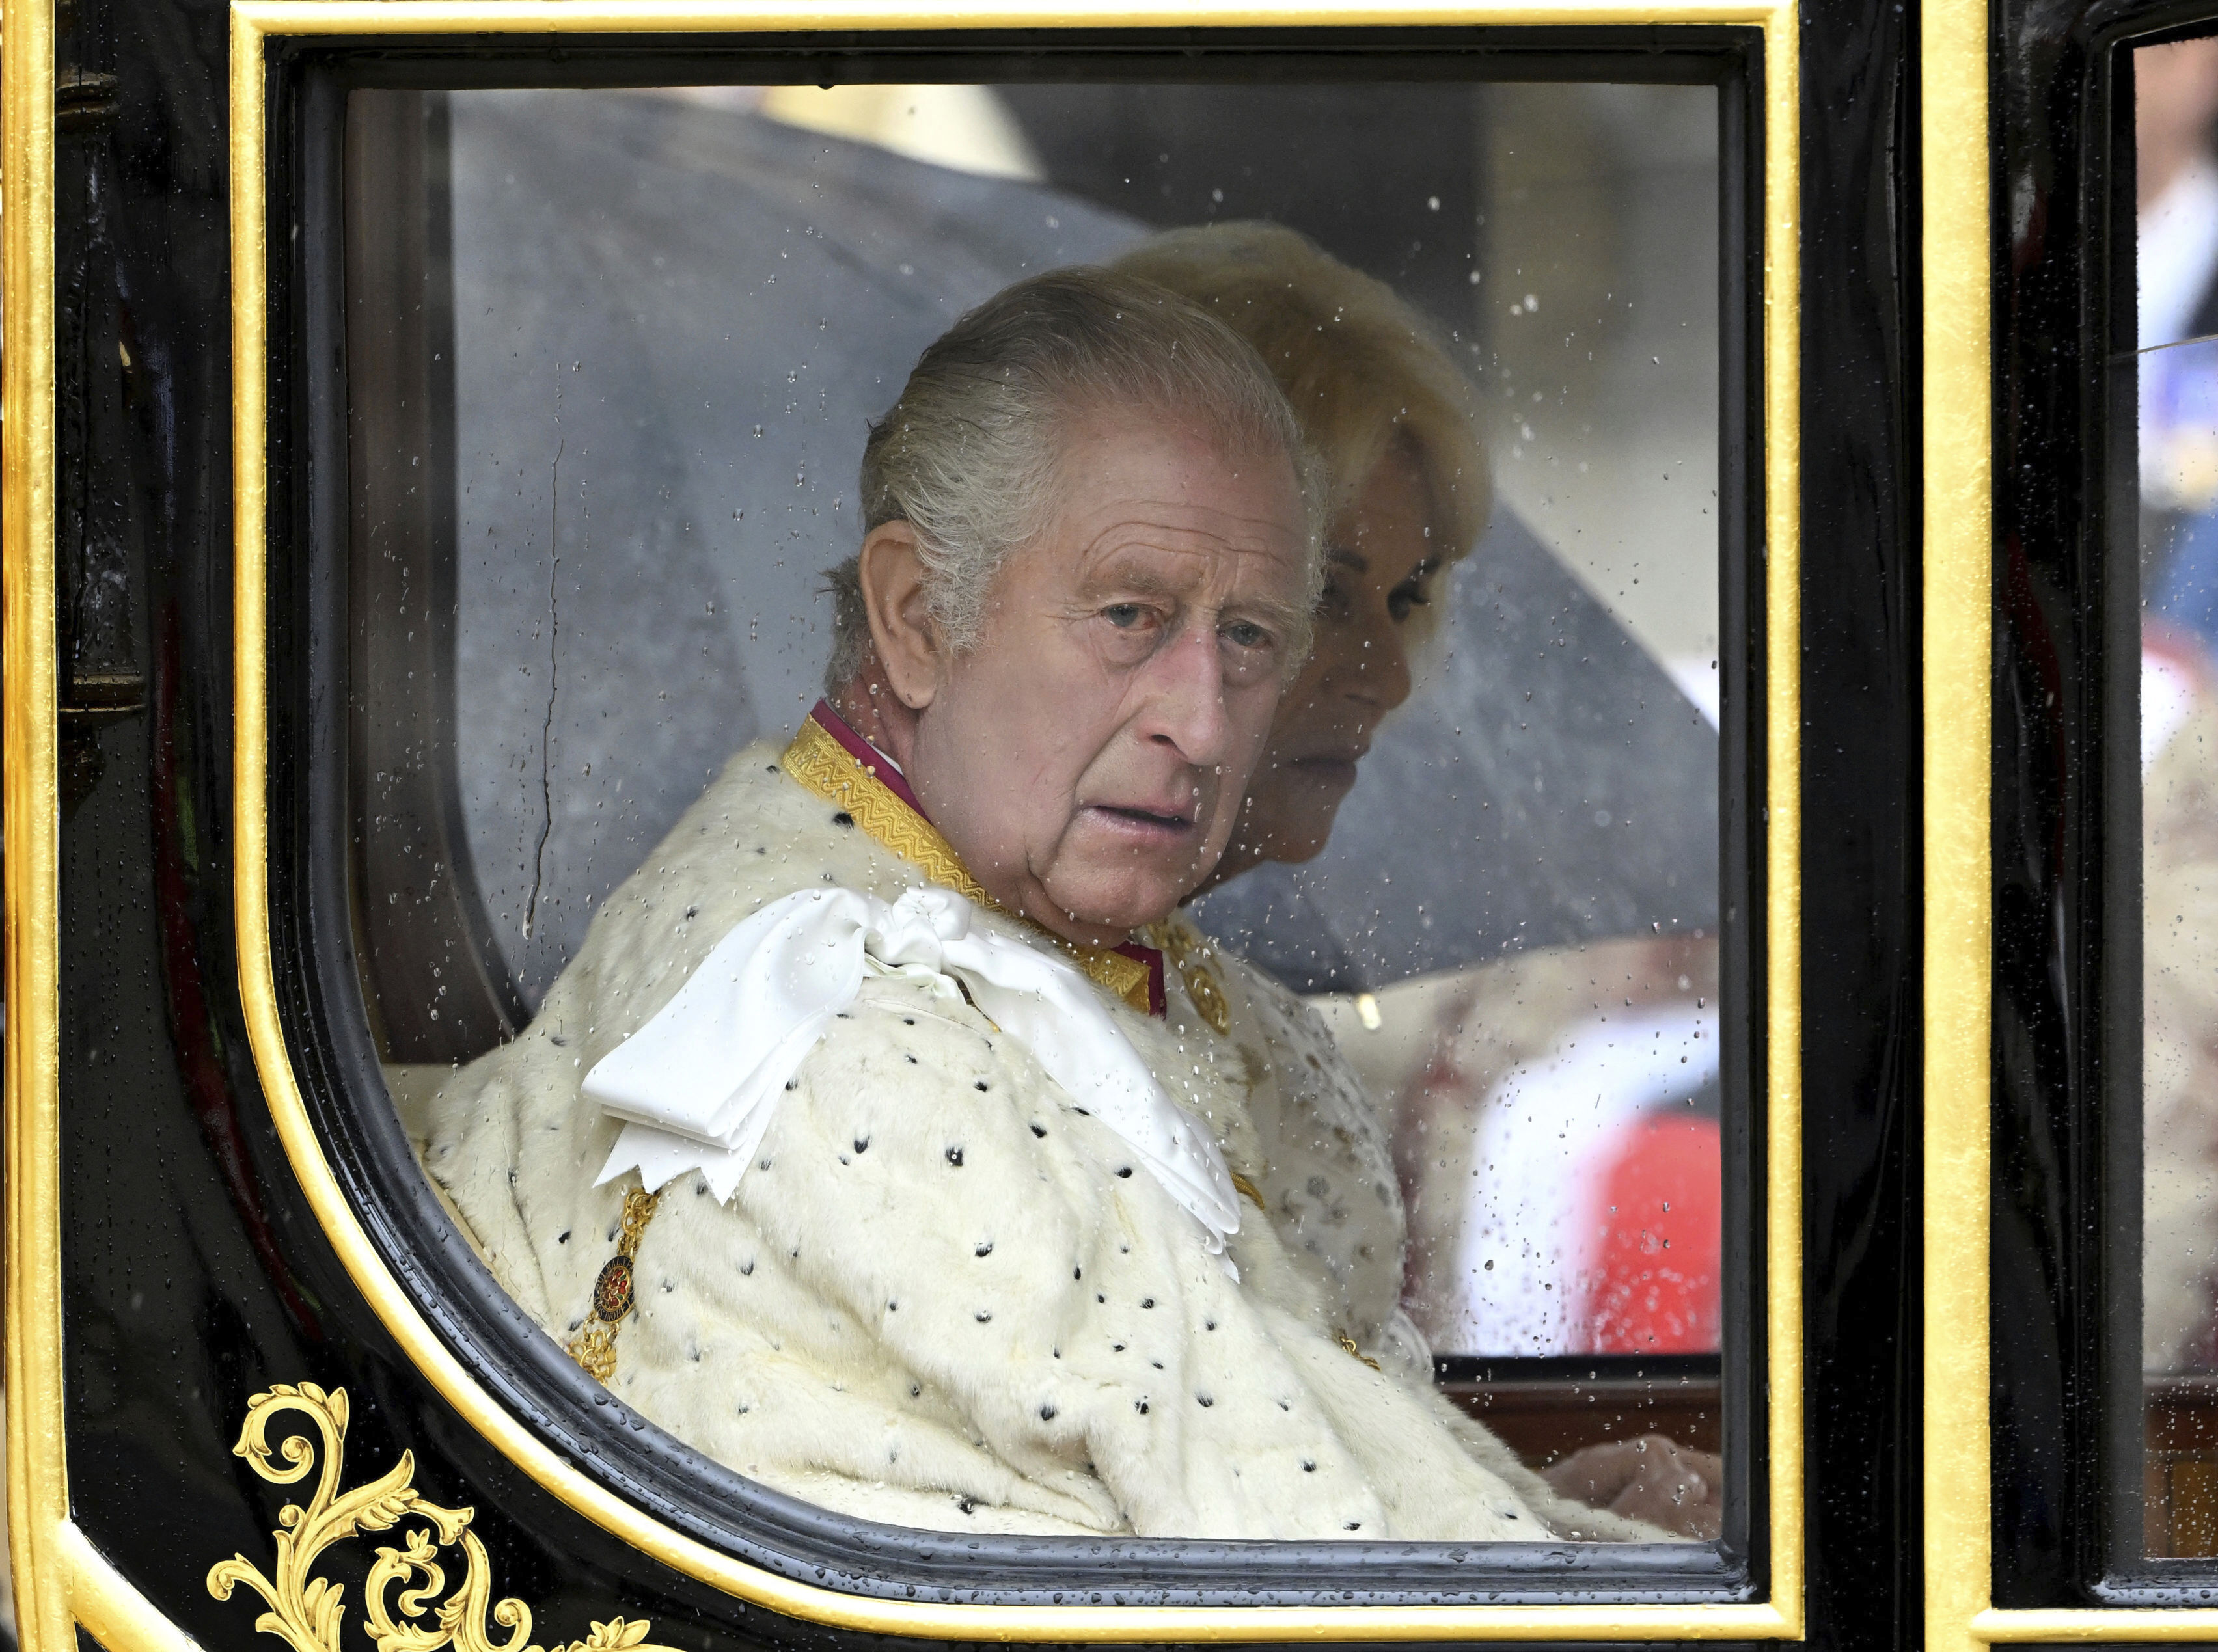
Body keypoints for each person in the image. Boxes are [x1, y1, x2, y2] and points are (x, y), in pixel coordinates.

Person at [418, 266, 1667, 1542]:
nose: (1200, 721)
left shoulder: (1176, 987)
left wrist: (1554, 1518)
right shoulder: (849, 1039)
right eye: (1130, 614)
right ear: (914, 616)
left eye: (1249, 637)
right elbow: (1307, 1572)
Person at [1108, 223, 1721, 1536]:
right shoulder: (951, 1021)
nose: (1385, 676)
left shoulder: (1182, 990)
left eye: (1407, 597)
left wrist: (1527, 1509)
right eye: (1325, 598)